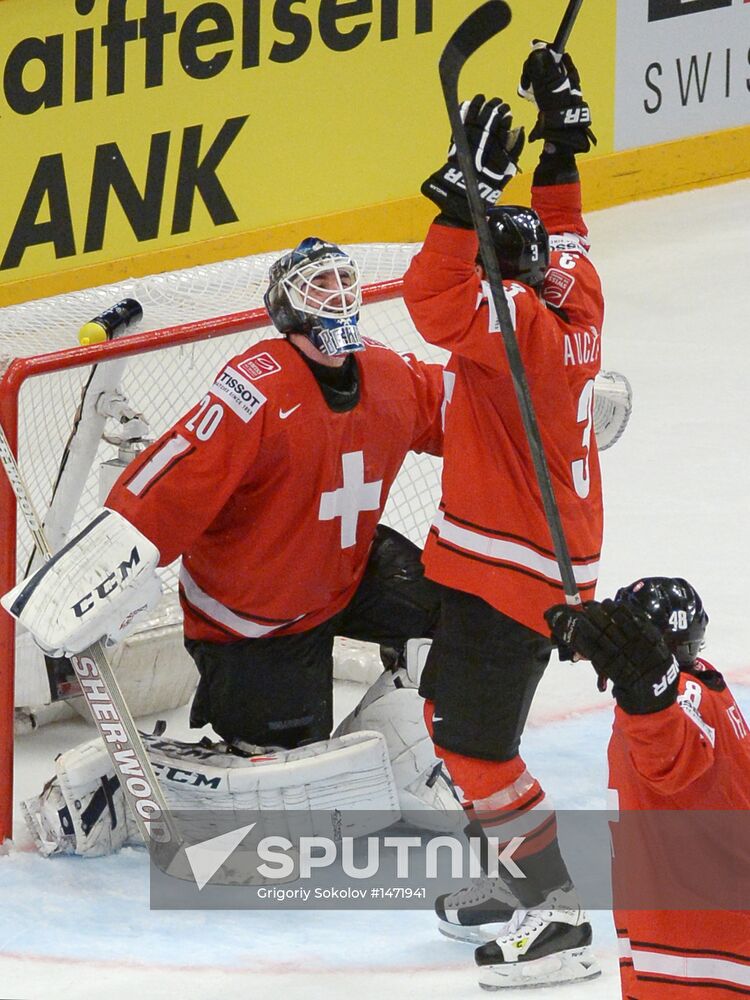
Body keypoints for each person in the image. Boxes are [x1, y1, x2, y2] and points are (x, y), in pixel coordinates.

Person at [5, 237, 460, 855]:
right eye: (315, 287)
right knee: (287, 802)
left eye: (340, 282)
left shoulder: (386, 373)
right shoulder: (257, 388)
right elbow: (178, 473)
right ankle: (107, 793)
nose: (335, 297)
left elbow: (458, 410)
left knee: (465, 606)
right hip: (252, 621)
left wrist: (551, 407)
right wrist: (119, 548)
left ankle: (401, 741)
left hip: (343, 571)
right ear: (287, 311)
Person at [402, 42, 604, 989]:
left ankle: (553, 913)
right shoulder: (571, 301)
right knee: (452, 716)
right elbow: (566, 230)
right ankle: (516, 878)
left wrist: (459, 196)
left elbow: (429, 302)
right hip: (514, 564)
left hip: (513, 573)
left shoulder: (512, 334)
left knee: (473, 749)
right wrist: (558, 140)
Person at [546, 579, 750, 999]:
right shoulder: (706, 683)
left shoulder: (676, 700)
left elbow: (670, 756)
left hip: (703, 945)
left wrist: (649, 697)